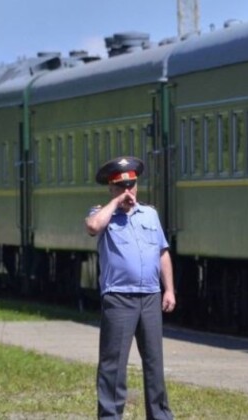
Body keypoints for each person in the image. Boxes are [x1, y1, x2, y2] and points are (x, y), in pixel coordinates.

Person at [84, 156, 176, 420]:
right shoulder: (101, 214)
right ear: (111, 189)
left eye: (132, 185)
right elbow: (92, 227)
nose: (128, 191)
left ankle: (160, 415)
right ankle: (110, 416)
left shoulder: (150, 214)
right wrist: (114, 204)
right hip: (119, 297)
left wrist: (168, 289)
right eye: (121, 187)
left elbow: (162, 253)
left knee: (154, 364)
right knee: (113, 365)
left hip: (149, 296)